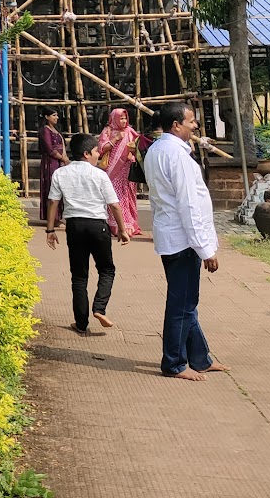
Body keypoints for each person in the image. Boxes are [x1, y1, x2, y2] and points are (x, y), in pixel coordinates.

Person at [143, 101, 228, 380]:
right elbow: (189, 205)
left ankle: (200, 358)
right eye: (191, 121)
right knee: (181, 303)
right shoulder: (176, 155)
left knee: (187, 301)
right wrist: (205, 249)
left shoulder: (157, 149)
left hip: (173, 235)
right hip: (182, 239)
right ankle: (174, 363)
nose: (195, 126)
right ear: (176, 125)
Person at [46, 133, 131, 335]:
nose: (98, 155)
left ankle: (81, 323)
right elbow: (114, 205)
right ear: (86, 154)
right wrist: (122, 230)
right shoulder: (99, 175)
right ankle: (99, 308)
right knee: (107, 270)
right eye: (95, 151)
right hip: (97, 226)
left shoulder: (60, 173)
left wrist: (50, 230)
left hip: (74, 226)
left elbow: (53, 202)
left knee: (79, 276)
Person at [97, 107, 144, 238]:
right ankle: (116, 226)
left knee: (128, 196)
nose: (123, 121)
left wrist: (133, 150)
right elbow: (101, 149)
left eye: (125, 118)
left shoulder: (130, 131)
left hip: (127, 169)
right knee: (114, 197)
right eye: (121, 118)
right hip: (113, 170)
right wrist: (115, 139)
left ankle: (130, 225)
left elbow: (139, 144)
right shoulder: (108, 131)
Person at [38, 108, 67, 217]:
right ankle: (53, 217)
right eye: (54, 115)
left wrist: (64, 158)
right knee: (52, 187)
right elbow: (49, 149)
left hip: (60, 162)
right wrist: (62, 158)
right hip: (51, 163)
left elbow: (62, 145)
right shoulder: (45, 130)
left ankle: (58, 216)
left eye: (57, 115)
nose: (57, 118)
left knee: (60, 187)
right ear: (47, 117)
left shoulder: (56, 130)